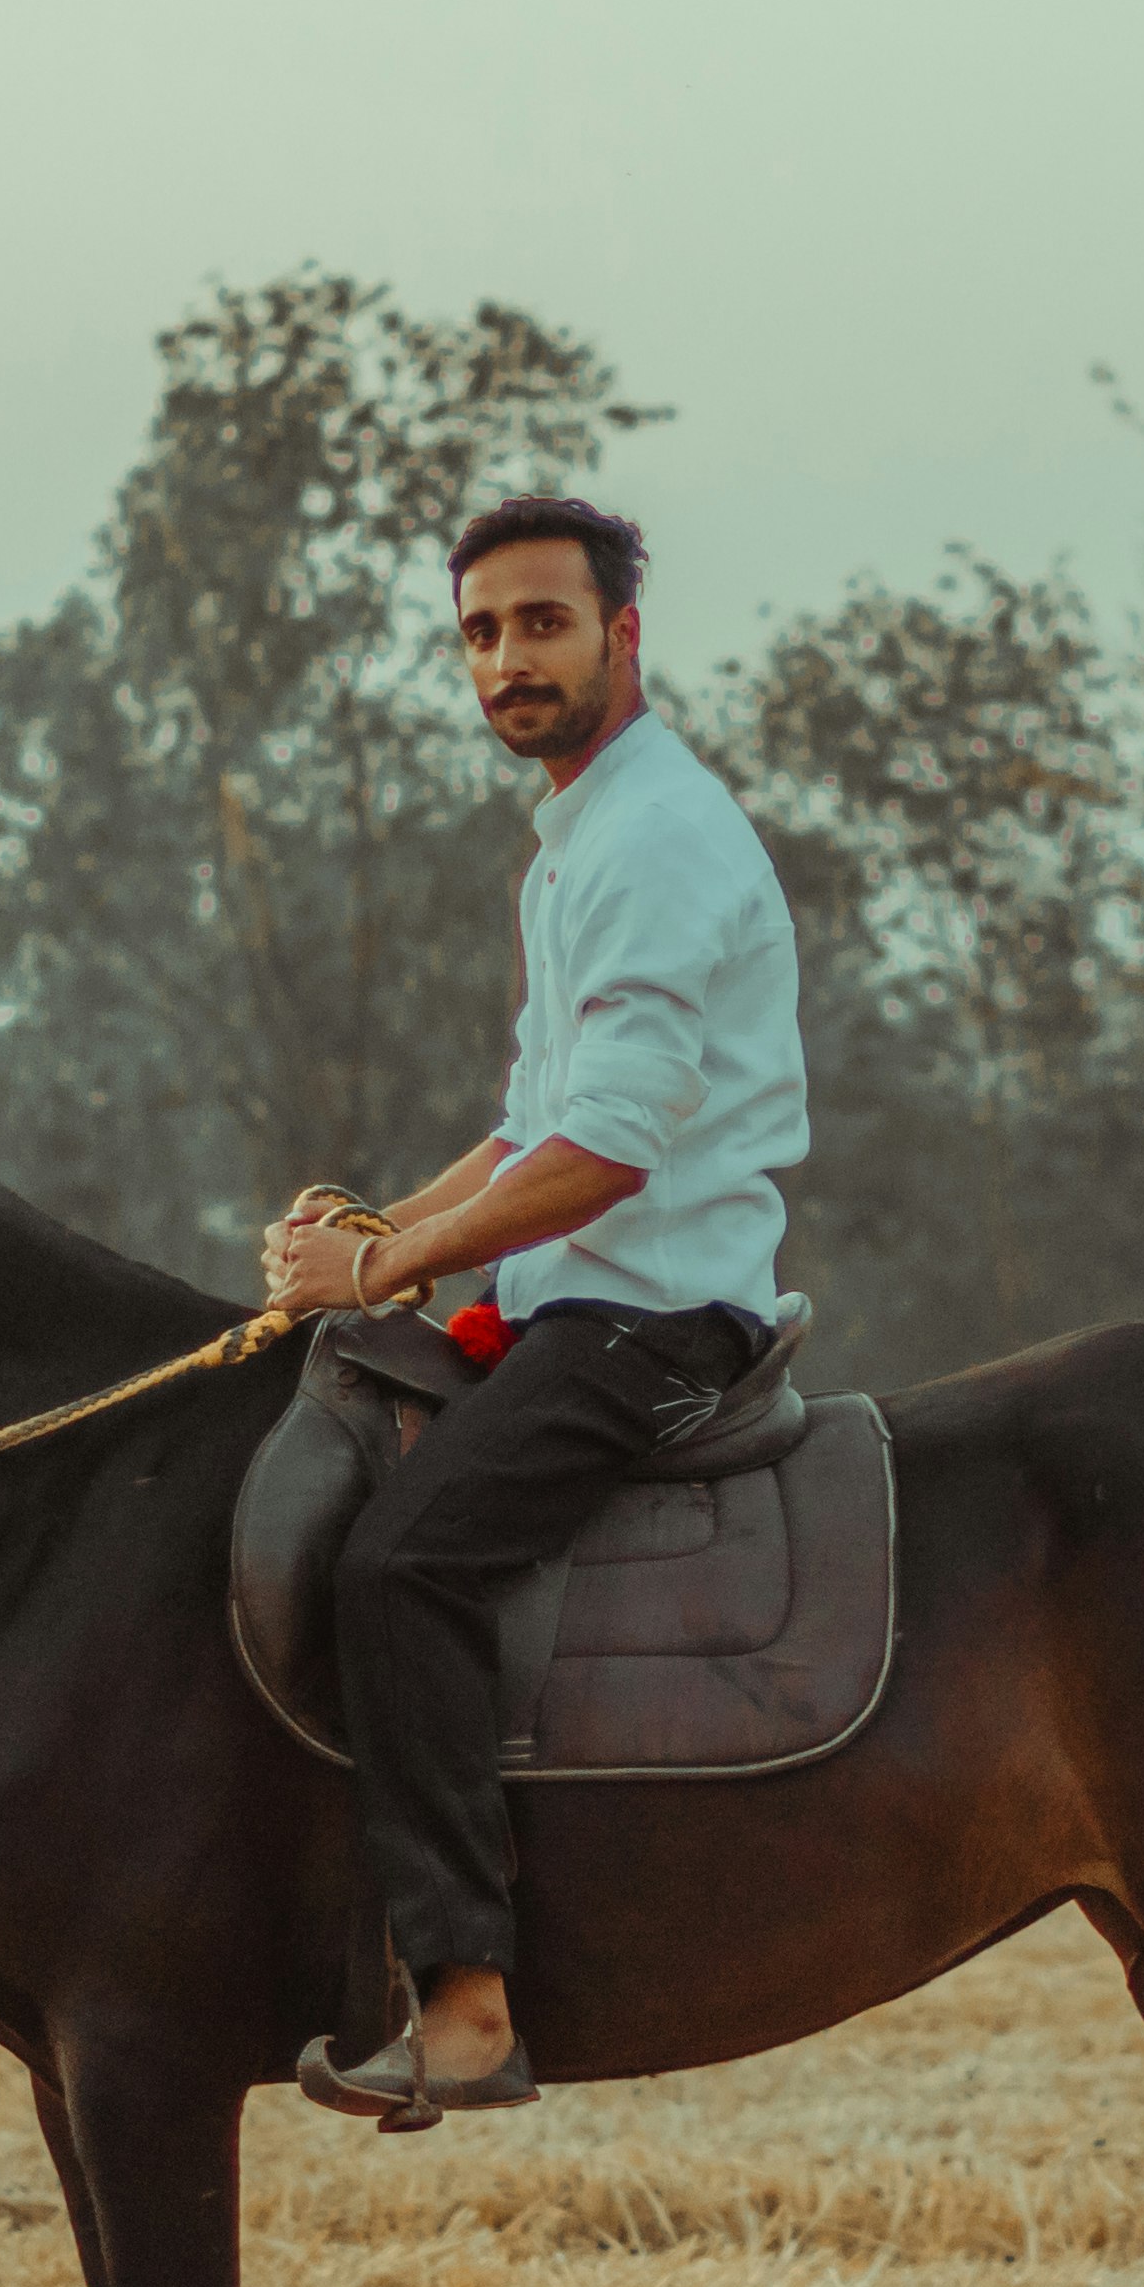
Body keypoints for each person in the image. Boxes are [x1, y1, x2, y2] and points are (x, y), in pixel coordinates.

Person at [261, 493, 807, 2125]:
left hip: (650, 1316)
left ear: (624, 637)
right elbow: (528, 1120)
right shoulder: (584, 831)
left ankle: (470, 2003)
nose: (509, 660)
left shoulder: (648, 841)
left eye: (543, 625)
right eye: (483, 633)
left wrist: (380, 1271)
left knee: (406, 1563)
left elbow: (610, 1154)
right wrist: (378, 1224)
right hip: (582, 1296)